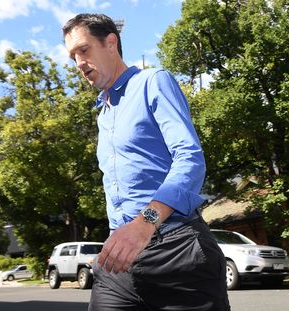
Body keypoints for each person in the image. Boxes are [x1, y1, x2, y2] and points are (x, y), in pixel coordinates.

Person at [63, 13, 230, 311]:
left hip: (177, 253)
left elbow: (190, 158)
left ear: (111, 43)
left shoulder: (153, 82)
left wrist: (144, 224)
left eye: (84, 50)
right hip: (120, 265)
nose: (79, 63)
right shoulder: (104, 113)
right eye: (73, 56)